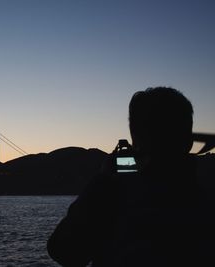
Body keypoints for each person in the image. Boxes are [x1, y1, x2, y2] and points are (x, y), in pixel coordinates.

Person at [47, 87, 214, 267]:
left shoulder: (115, 195)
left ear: (136, 140)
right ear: (188, 141)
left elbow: (65, 251)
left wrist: (103, 181)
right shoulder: (204, 196)